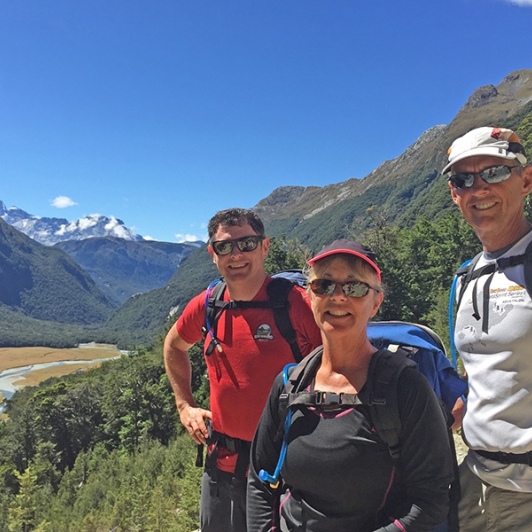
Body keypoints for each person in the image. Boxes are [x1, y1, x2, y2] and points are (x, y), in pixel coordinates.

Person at [247, 240, 454, 531]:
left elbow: (431, 500)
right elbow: (260, 478)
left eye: (355, 287)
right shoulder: (290, 385)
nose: (339, 297)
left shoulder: (405, 387)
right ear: (310, 297)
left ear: (376, 302)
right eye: (324, 285)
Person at [163, 207, 322, 532]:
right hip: (223, 463)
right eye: (225, 246)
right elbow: (173, 346)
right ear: (213, 254)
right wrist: (185, 405)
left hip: (285, 465)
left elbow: (343, 370)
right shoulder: (209, 304)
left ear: (265, 247)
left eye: (247, 244)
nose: (236, 254)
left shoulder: (297, 306)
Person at [442, 126, 532, 531]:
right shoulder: (464, 279)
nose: (479, 189)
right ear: (454, 194)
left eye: (494, 172)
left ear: (526, 180)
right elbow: (479, 370)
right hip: (475, 481)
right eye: (464, 179)